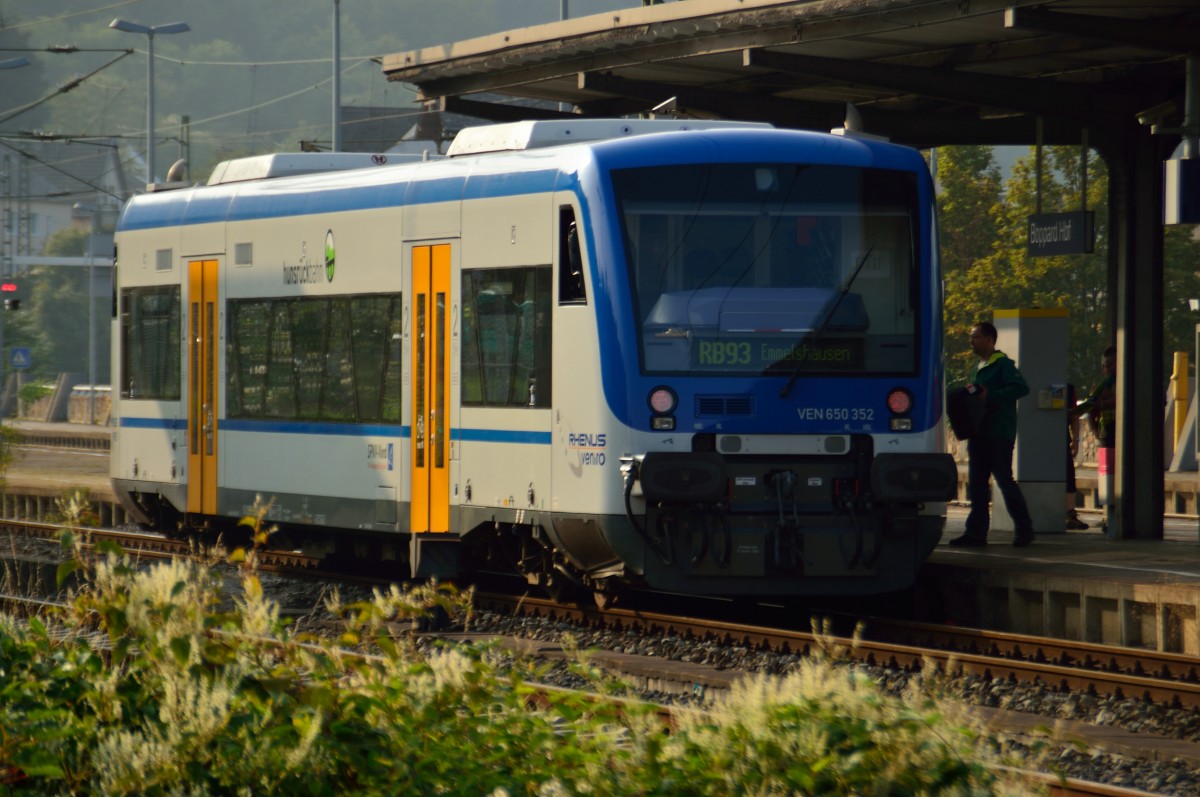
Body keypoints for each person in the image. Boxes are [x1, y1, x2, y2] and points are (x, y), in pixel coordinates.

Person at [950, 321, 1037, 548]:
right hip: (979, 433)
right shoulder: (978, 367)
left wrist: (991, 396)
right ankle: (976, 533)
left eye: (975, 336)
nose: (971, 341)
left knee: (1004, 481)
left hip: (998, 432)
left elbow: (1021, 388)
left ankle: (1024, 529)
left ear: (989, 339)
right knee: (977, 484)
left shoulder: (1002, 364)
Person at [1076, 346, 1117, 450]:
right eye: (1104, 365)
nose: (1107, 368)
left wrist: (1102, 403)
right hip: (1107, 429)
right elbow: (1090, 407)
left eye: (1110, 364)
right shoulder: (1103, 385)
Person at [1065, 382, 1089, 530]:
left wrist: (1075, 439)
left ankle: (1070, 514)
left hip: (1063, 440)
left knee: (1068, 475)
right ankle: (1068, 514)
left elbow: (1074, 415)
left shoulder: (1068, 388)